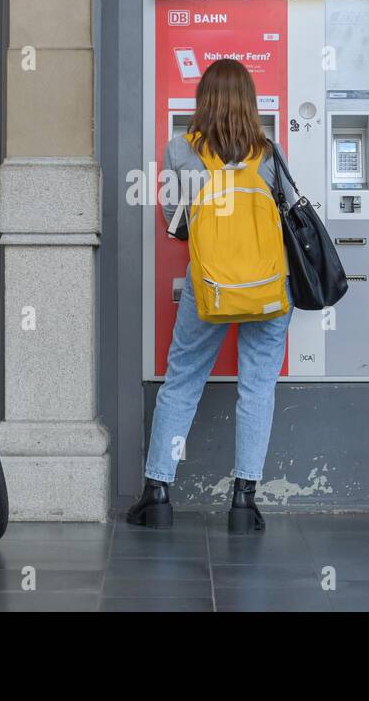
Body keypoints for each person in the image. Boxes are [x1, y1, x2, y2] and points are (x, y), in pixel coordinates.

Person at [127, 58, 294, 534]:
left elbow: (171, 221)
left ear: (202, 101)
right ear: (250, 101)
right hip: (267, 290)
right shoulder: (270, 152)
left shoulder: (181, 148)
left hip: (210, 286)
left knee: (182, 383)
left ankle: (157, 494)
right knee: (257, 388)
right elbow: (287, 218)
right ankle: (244, 504)